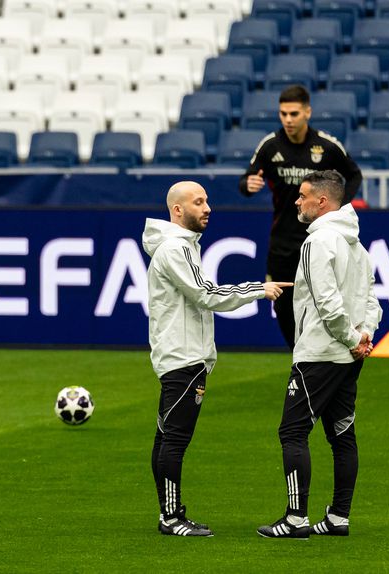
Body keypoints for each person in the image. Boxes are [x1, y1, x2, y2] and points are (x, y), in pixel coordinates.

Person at [142, 181, 291, 537]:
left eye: (207, 200)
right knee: (174, 440)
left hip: (181, 354)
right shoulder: (175, 249)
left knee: (166, 438)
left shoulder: (180, 247)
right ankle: (170, 518)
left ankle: (171, 512)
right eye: (198, 202)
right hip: (183, 356)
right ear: (177, 210)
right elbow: (206, 295)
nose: (207, 207)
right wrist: (258, 288)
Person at [257, 171, 381, 539]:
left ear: (322, 202)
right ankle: (339, 517)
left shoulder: (317, 243)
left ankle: (296, 519)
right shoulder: (358, 247)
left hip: (319, 354)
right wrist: (363, 336)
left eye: (303, 195)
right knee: (342, 434)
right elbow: (371, 301)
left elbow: (327, 303)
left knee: (292, 432)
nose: (297, 201)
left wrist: (349, 338)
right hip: (348, 359)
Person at [239, 85, 362, 349]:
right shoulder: (270, 146)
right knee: (283, 308)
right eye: (283, 113)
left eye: (294, 113)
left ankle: (324, 355)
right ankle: (299, 354)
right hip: (282, 242)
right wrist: (246, 185)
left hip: (319, 240)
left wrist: (338, 207)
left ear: (307, 112)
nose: (288, 119)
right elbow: (247, 178)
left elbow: (353, 174)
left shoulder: (326, 146)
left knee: (324, 299)